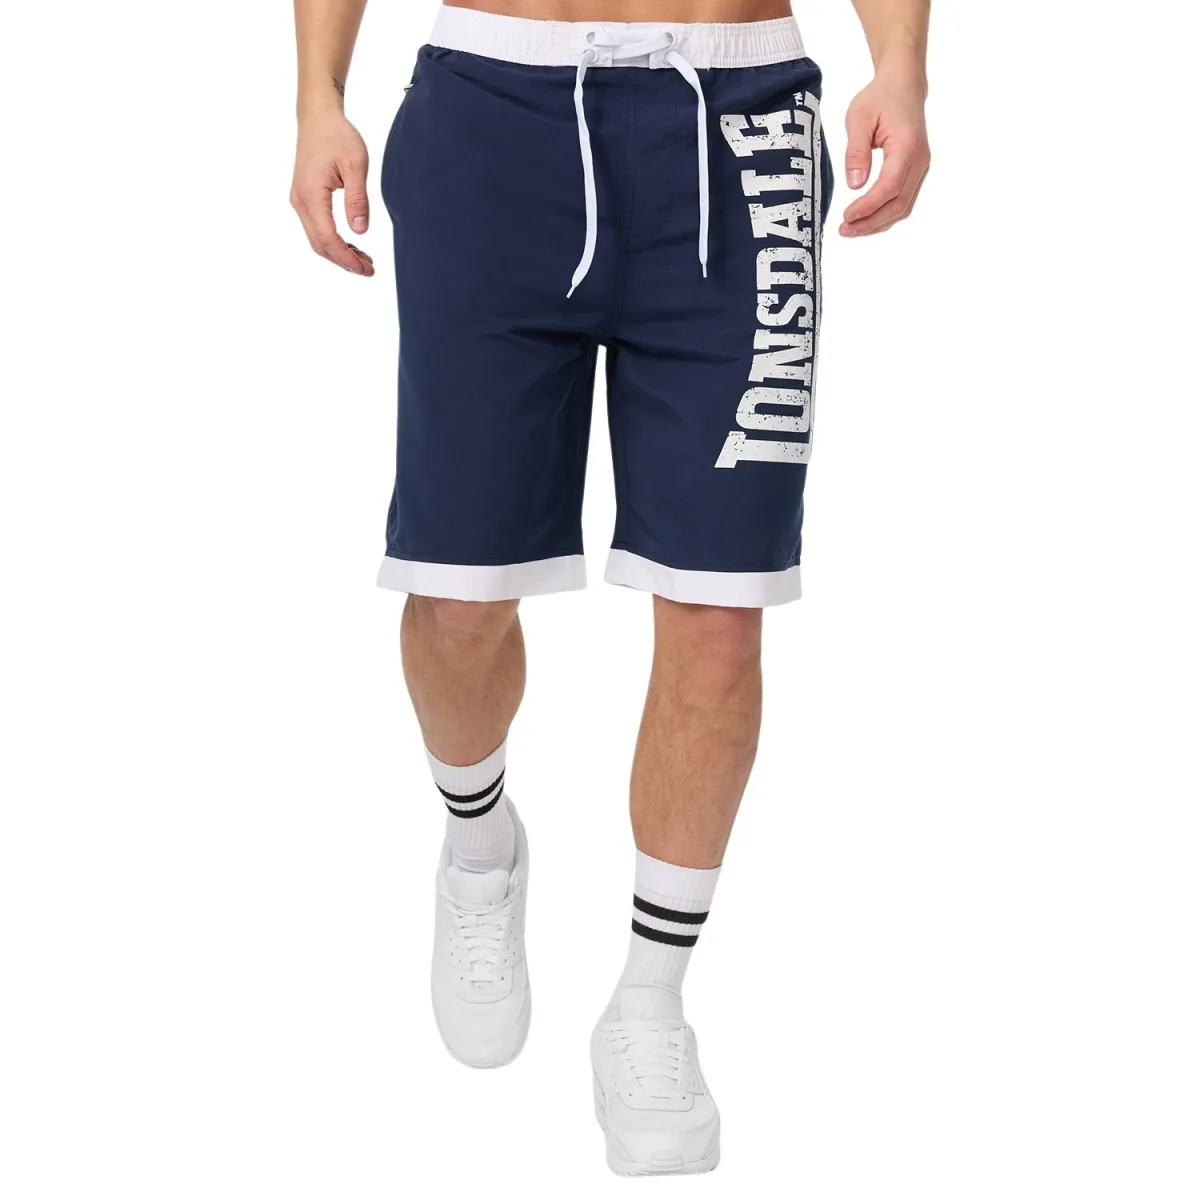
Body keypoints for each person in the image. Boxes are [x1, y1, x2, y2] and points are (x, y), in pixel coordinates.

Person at [290, 0, 929, 1176]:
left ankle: (650, 1001)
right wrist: (316, 96)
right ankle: (480, 845)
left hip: (742, 127)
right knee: (460, 594)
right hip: (491, 111)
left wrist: (901, 66)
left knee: (721, 606)